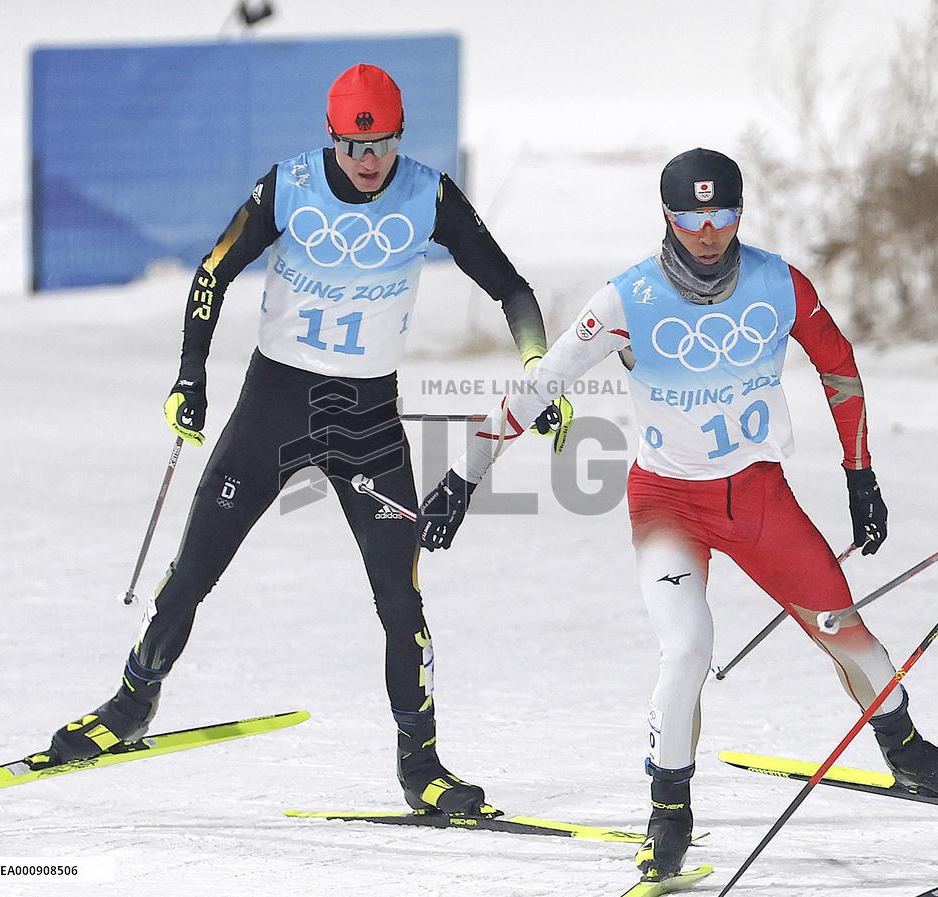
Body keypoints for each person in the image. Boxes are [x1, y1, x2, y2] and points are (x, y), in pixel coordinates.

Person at [47, 63, 568, 815]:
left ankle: (420, 765)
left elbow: (512, 288)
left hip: (367, 420)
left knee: (401, 600)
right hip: (275, 405)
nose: (369, 163)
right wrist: (189, 376)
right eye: (356, 148)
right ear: (332, 137)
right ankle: (131, 704)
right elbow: (213, 271)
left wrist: (535, 367)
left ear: (398, 138)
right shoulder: (287, 185)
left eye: (383, 146)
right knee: (193, 571)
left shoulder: (429, 193)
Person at [418, 148, 938, 878]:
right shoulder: (625, 300)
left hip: (759, 497)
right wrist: (463, 474)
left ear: (740, 213)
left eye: (723, 214)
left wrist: (861, 473)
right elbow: (542, 384)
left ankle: (908, 751)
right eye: (692, 216)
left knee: (843, 628)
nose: (708, 232)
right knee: (687, 649)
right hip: (669, 503)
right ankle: (669, 810)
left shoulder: (778, 283)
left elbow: (839, 366)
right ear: (667, 216)